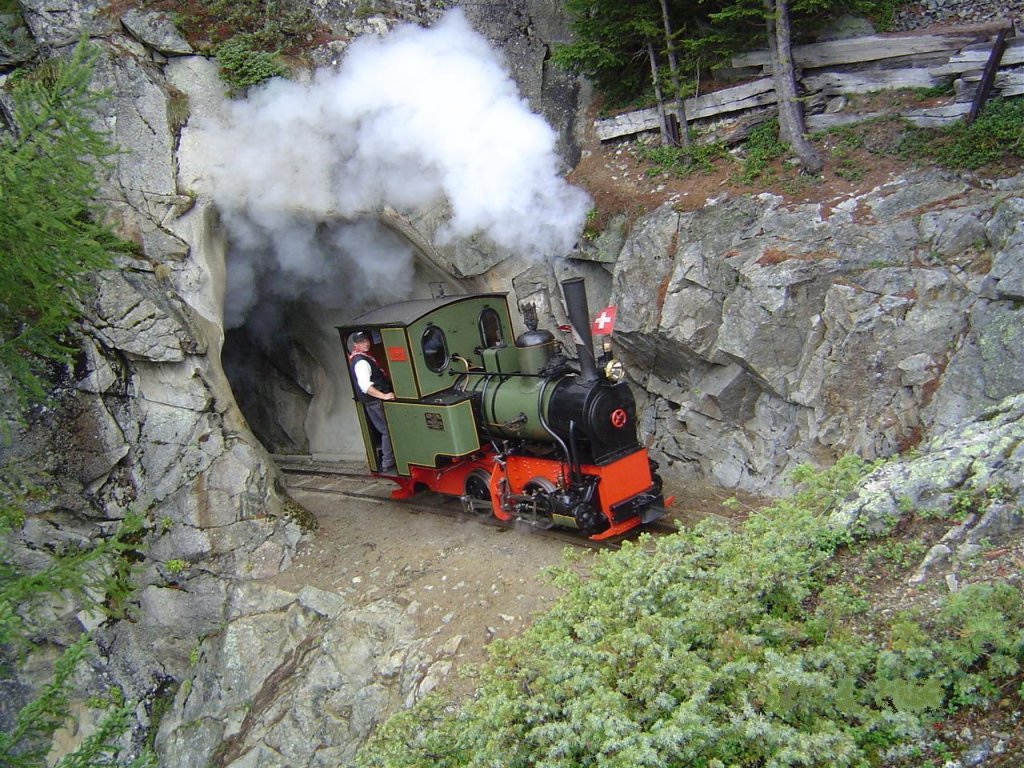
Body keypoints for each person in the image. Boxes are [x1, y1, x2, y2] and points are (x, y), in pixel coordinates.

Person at [348, 330, 396, 473]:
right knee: (387, 430)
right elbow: (365, 386)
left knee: (386, 429)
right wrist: (384, 396)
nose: (366, 343)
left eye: (367, 340)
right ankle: (388, 461)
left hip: (374, 401)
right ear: (355, 344)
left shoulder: (362, 358)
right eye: (362, 342)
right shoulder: (361, 362)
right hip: (375, 401)